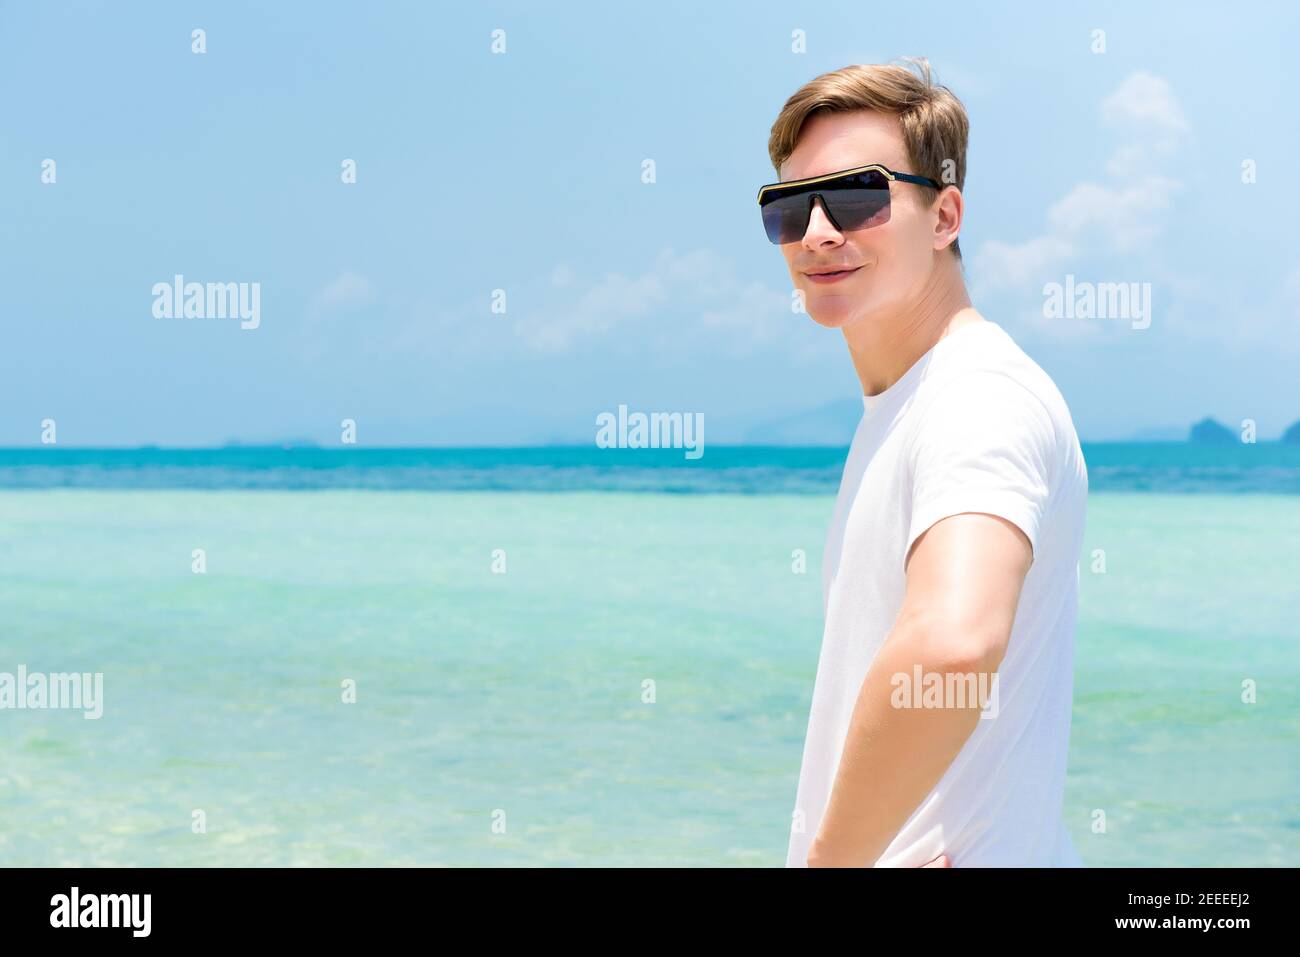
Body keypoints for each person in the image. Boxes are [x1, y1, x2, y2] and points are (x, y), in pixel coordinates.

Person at [760, 59, 1088, 867]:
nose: (819, 232)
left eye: (860, 196)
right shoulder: (909, 402)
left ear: (944, 216)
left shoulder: (975, 395)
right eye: (789, 207)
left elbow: (955, 640)